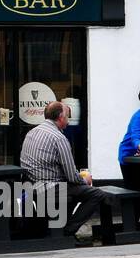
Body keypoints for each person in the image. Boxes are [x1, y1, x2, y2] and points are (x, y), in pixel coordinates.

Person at [20, 101, 105, 236]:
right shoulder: (59, 138)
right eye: (67, 116)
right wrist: (85, 180)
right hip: (49, 187)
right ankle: (67, 231)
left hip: (30, 185)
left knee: (74, 191)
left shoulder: (31, 132)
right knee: (96, 194)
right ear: (60, 117)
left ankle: (59, 225)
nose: (68, 120)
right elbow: (71, 175)